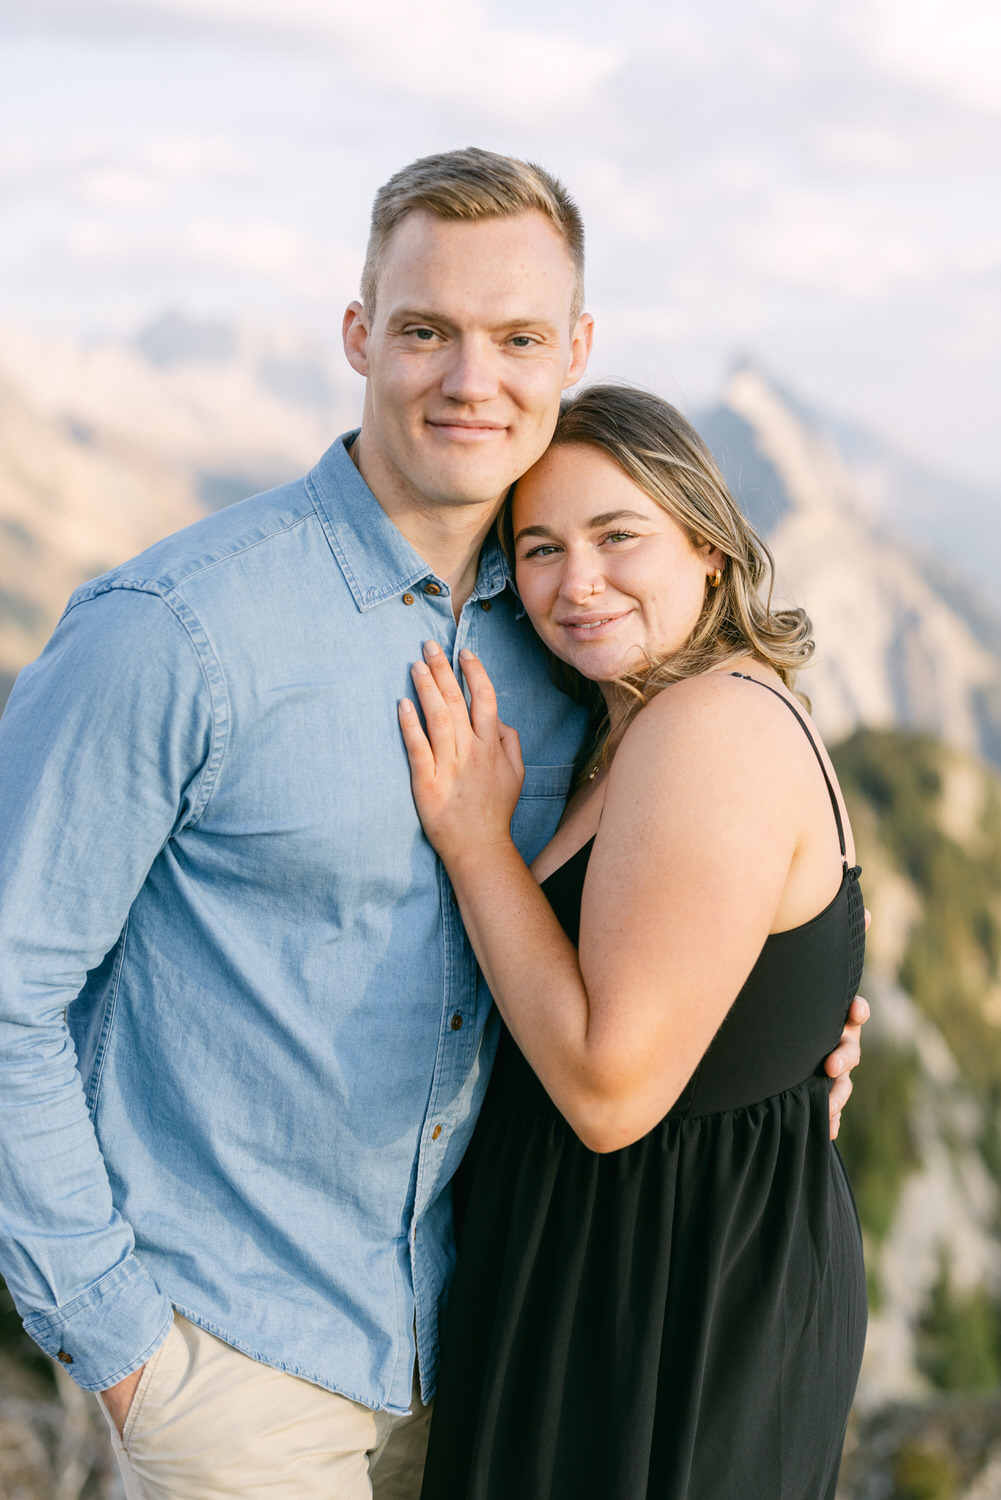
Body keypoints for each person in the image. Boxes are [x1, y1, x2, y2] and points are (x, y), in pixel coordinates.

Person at [0, 151, 866, 1500]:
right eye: (425, 331)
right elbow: (10, 983)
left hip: (492, 1352)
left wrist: (782, 1029)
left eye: (519, 338)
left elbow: (657, 925)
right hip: (243, 1371)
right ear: (359, 335)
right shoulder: (175, 636)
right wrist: (118, 1342)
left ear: (573, 351)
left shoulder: (572, 652)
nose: (474, 380)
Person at [399, 384, 867, 1500]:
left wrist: (474, 842)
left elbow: (608, 1095)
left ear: (705, 543)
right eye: (540, 549)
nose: (577, 583)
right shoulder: (645, 725)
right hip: (623, 1271)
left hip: (662, 1302)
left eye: (619, 537)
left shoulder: (706, 727)